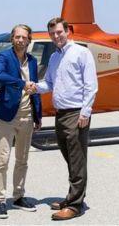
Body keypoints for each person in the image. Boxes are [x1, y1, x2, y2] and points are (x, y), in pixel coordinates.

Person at [29, 17, 98, 220]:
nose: (56, 36)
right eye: (52, 34)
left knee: (77, 159)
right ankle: (73, 196)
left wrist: (85, 112)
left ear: (68, 31)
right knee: (70, 157)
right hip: (61, 114)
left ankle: (75, 205)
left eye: (59, 32)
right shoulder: (54, 58)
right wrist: (35, 87)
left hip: (76, 113)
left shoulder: (81, 53)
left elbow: (91, 85)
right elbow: (49, 83)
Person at [0, 24, 42, 219]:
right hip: (7, 115)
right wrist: (21, 83)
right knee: (2, 159)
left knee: (23, 159)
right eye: (17, 37)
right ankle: (0, 200)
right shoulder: (4, 56)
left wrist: (38, 116)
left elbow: (35, 89)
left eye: (24, 37)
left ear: (29, 40)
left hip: (27, 116)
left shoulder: (32, 61)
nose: (20, 40)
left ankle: (19, 196)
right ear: (12, 39)